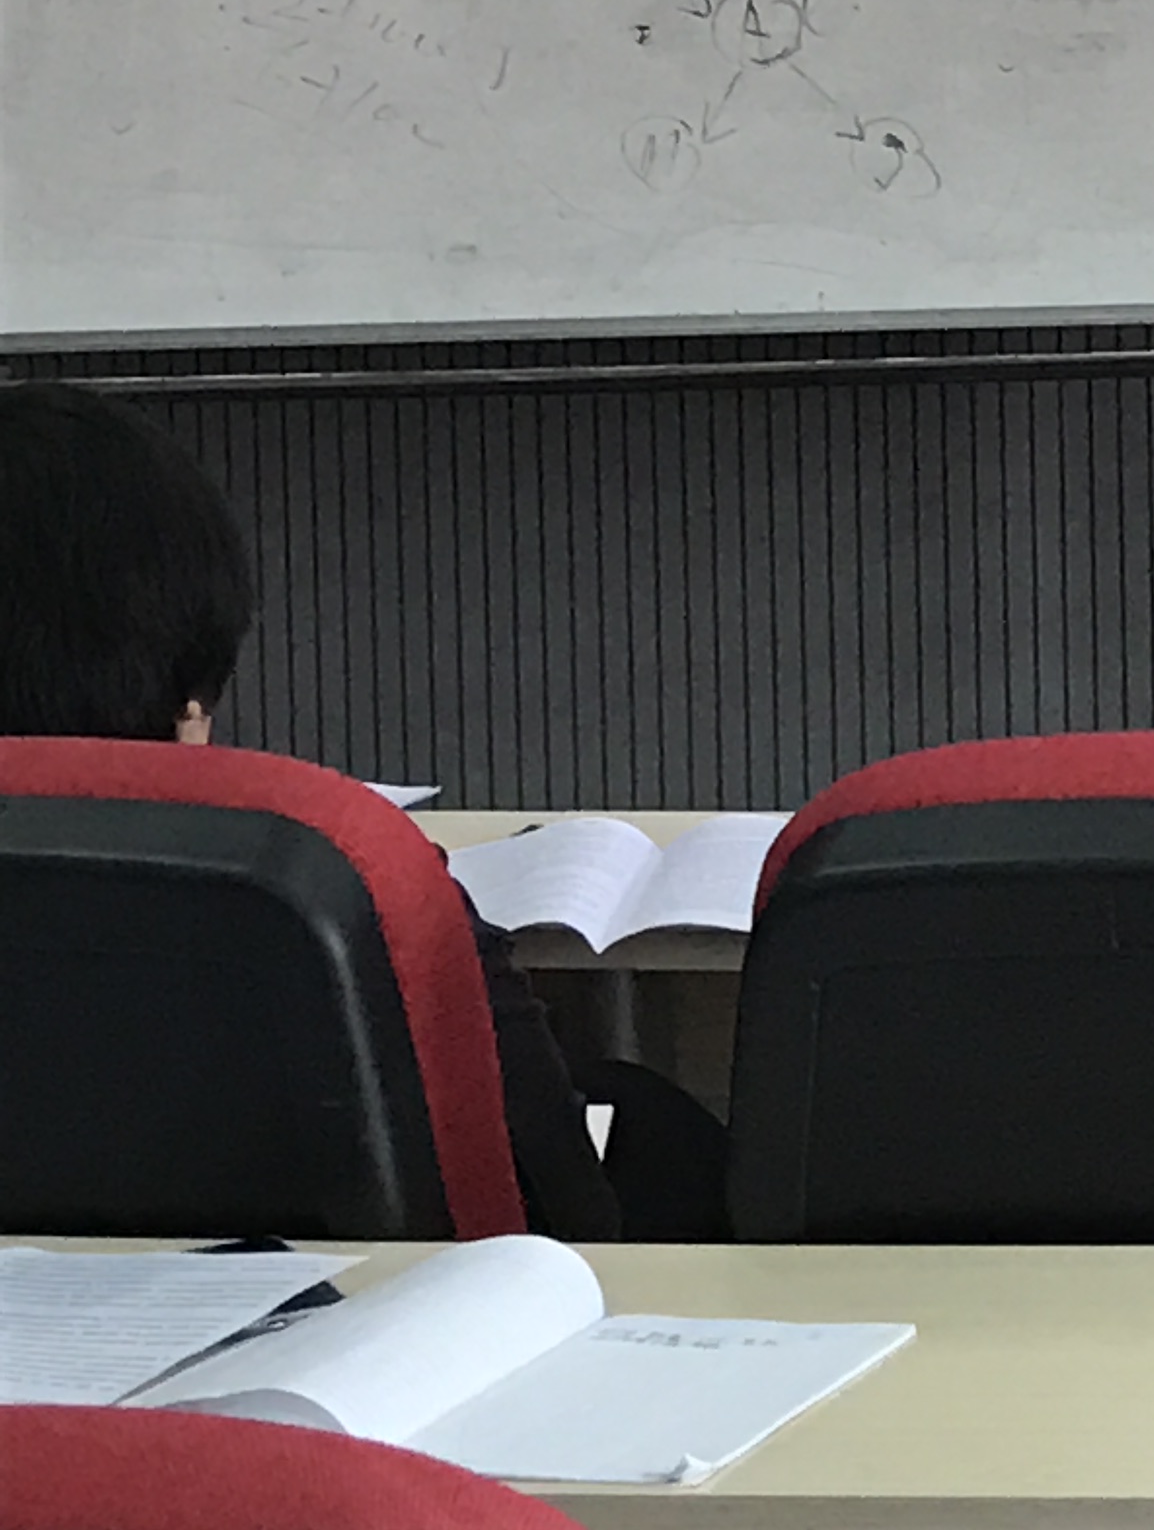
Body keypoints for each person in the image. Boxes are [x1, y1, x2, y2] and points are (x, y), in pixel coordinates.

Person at [0, 381, 683, 1239]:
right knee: (655, 1126)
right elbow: (560, 1221)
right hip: (337, 1315)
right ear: (190, 709)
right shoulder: (341, 889)